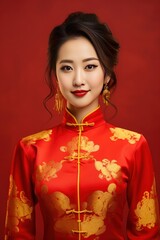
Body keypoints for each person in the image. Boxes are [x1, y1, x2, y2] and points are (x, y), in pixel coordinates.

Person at [5, 12, 160, 240]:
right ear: (56, 75)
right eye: (67, 68)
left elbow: (146, 232)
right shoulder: (31, 149)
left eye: (90, 67)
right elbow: (17, 234)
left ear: (106, 74)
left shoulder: (133, 146)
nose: (78, 79)